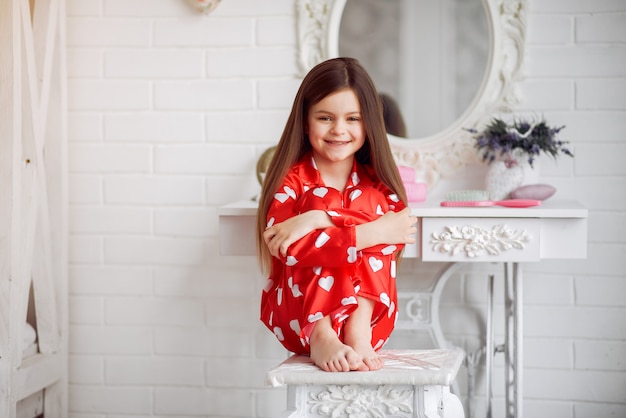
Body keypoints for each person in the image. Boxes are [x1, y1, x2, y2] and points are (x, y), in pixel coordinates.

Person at [257, 57, 418, 373]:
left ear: (369, 123)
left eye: (353, 119)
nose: (339, 130)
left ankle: (357, 330)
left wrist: (319, 221)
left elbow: (397, 230)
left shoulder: (377, 183)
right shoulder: (292, 180)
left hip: (368, 319)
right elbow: (288, 249)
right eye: (325, 118)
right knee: (323, 199)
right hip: (300, 318)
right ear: (305, 121)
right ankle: (323, 333)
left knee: (370, 203)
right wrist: (365, 230)